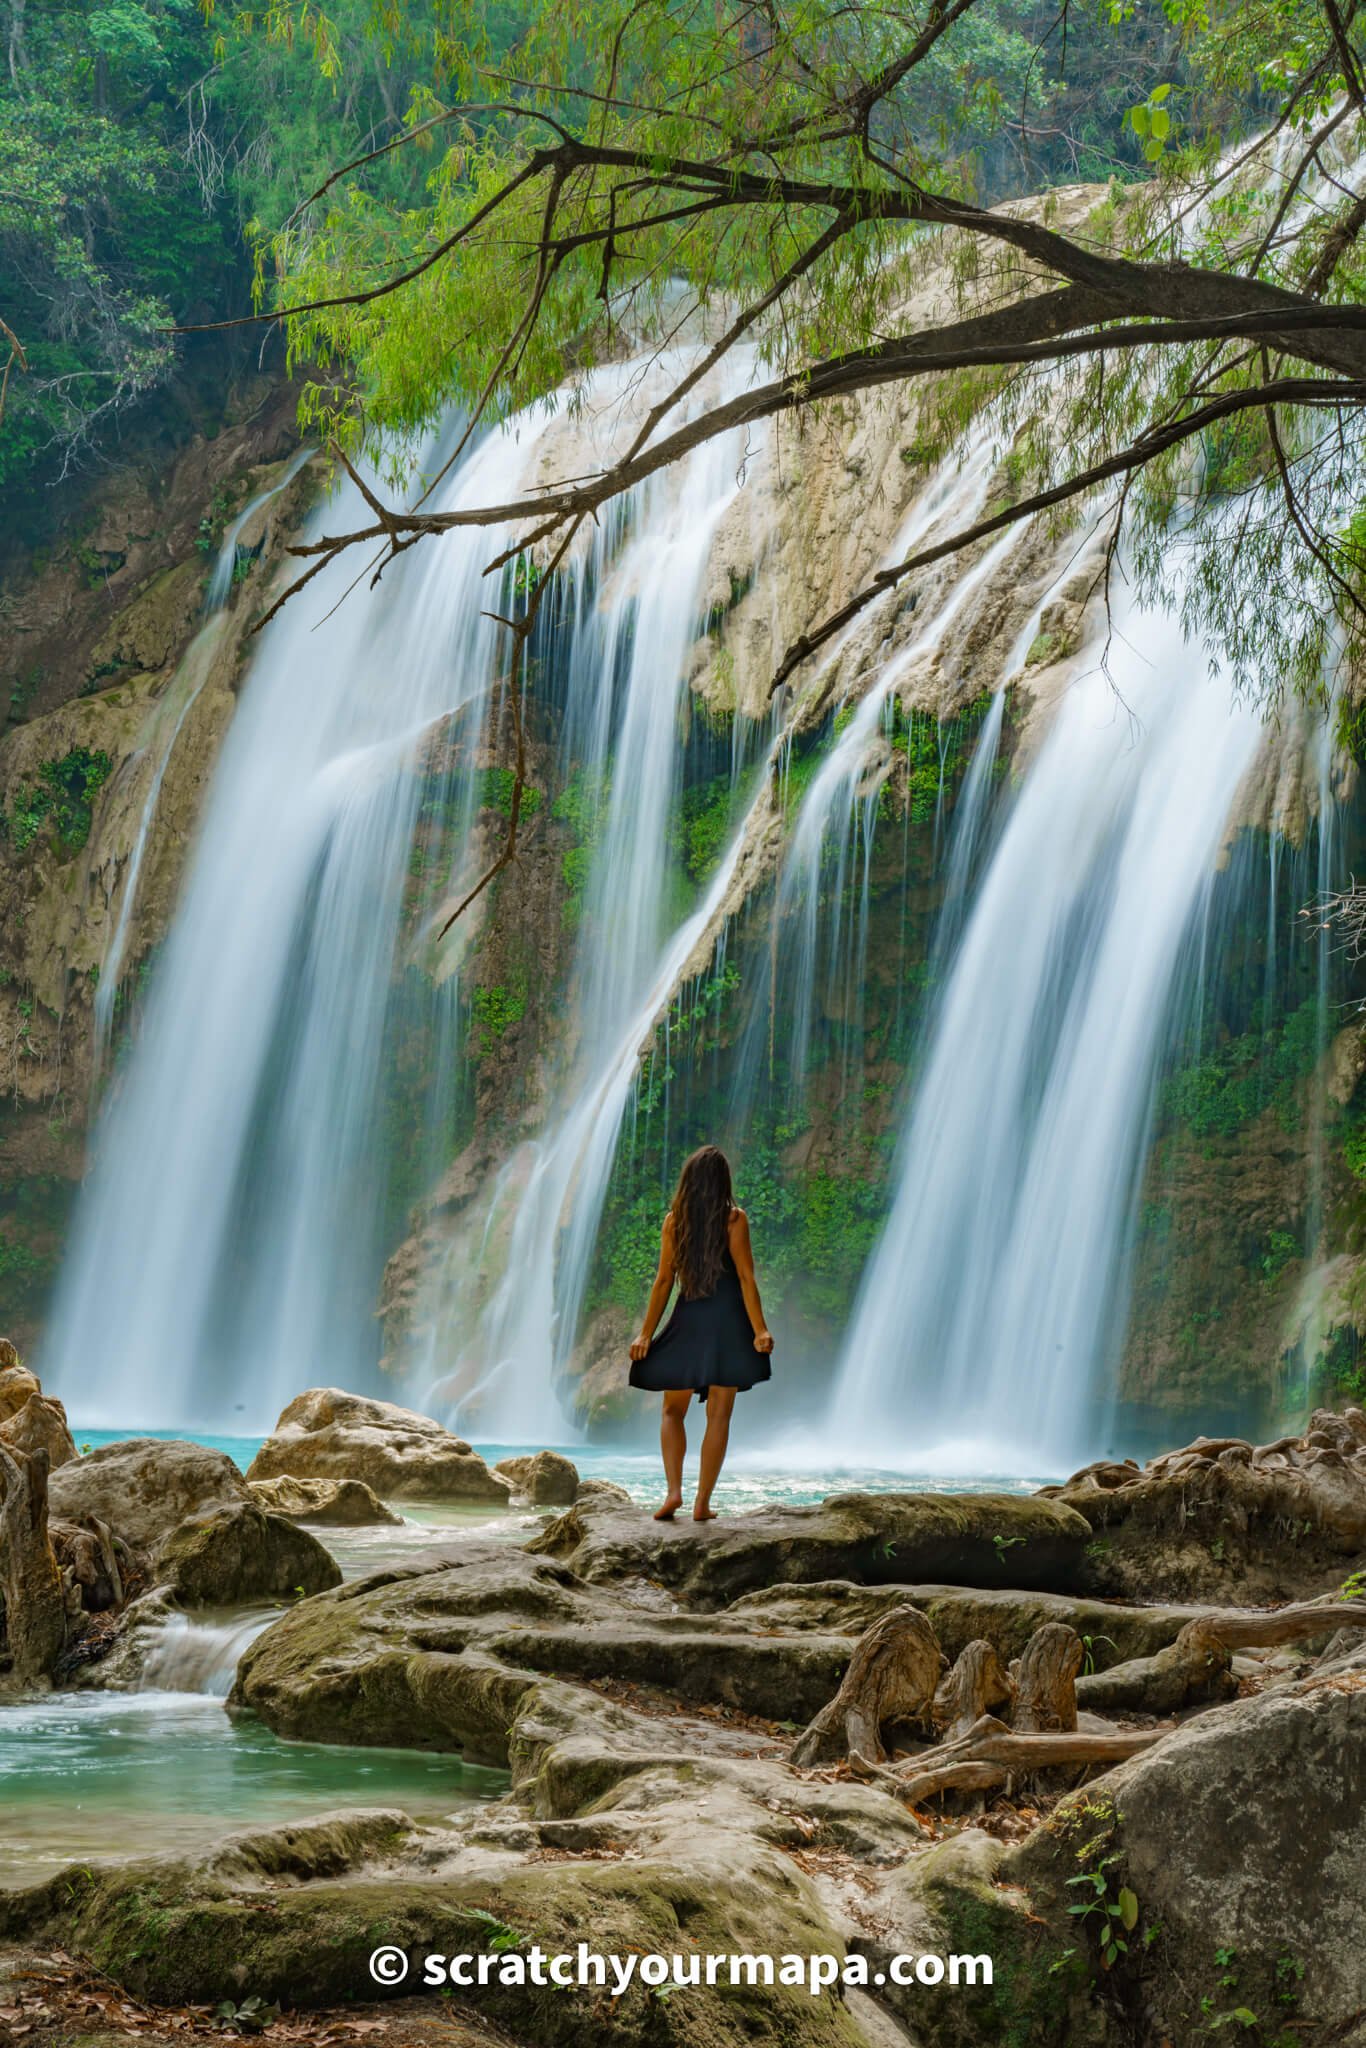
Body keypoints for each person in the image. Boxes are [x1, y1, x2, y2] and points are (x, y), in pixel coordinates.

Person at [628, 1144, 774, 1522]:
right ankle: (701, 1503)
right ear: (722, 1182)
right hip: (728, 1324)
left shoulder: (674, 1221)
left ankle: (673, 1491)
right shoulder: (734, 1220)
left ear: (688, 1182)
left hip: (688, 1321)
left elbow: (664, 1281)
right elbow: (745, 1278)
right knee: (719, 1415)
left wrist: (646, 1334)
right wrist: (759, 1330)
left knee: (671, 1411)